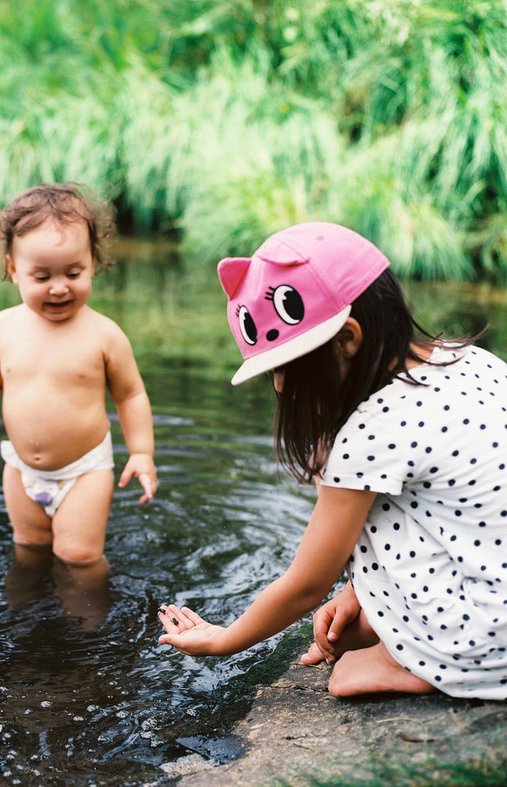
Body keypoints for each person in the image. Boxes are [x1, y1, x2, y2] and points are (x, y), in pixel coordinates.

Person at [158, 222, 507, 700]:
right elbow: (460, 514)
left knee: (344, 671)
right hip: (495, 587)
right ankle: (398, 627)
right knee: (346, 627)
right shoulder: (470, 360)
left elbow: (305, 584)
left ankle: (427, 665)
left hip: (489, 642)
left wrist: (222, 639)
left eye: (285, 366)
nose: (280, 385)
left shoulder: (371, 432)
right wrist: (359, 592)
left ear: (346, 339)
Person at [0, 183, 156, 570]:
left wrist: (141, 452)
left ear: (93, 262)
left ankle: (89, 626)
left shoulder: (104, 334)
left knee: (78, 558)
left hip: (84, 472)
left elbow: (131, 396)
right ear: (13, 269)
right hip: (21, 469)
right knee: (29, 551)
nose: (59, 287)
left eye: (73, 273)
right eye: (41, 277)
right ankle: (29, 626)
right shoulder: (4, 326)